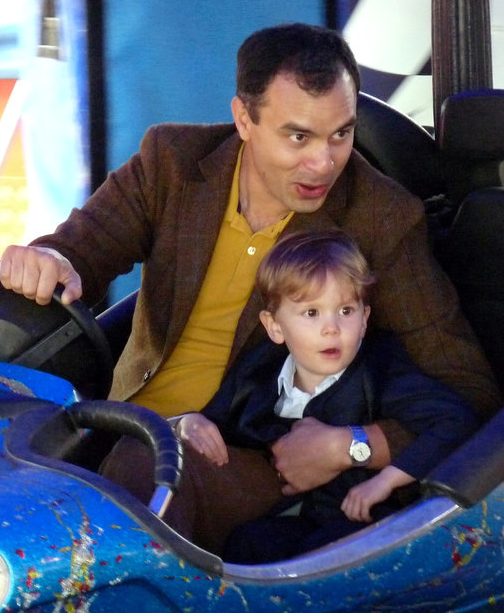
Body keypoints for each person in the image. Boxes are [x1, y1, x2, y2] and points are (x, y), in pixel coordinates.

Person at [0, 22, 499, 552]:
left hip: (243, 446)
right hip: (112, 407)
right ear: (243, 119)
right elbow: (82, 247)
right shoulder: (174, 163)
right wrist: (45, 261)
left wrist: (354, 445)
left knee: (146, 464)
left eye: (340, 134)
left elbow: (469, 389)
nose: (323, 162)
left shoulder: (381, 217)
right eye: (298, 136)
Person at [174, 230, 478, 563]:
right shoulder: (260, 369)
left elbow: (454, 421)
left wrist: (387, 482)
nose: (331, 328)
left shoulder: (380, 370)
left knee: (317, 555)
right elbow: (215, 418)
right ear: (274, 326)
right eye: (311, 313)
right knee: (246, 545)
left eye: (346, 311)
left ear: (365, 319)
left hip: (366, 519)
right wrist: (190, 422)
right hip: (298, 514)